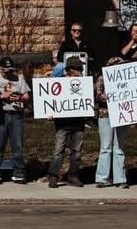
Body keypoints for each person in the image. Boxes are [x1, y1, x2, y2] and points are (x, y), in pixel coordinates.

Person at [0, 56, 30, 184]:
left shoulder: (19, 79)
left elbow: (26, 96)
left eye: (10, 70)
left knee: (17, 145)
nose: (8, 73)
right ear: (0, 69)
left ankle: (19, 172)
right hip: (0, 114)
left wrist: (19, 98)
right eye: (5, 70)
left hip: (16, 114)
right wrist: (1, 96)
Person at [47, 57, 87, 188]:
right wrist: (50, 112)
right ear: (70, 70)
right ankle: (53, 176)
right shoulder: (60, 82)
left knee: (77, 151)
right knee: (58, 150)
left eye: (81, 68)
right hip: (62, 123)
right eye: (78, 68)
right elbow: (51, 98)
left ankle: (73, 176)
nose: (81, 70)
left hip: (78, 122)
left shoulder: (84, 83)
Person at [94, 56, 130, 189]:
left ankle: (120, 179)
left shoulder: (128, 79)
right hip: (106, 115)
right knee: (106, 147)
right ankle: (102, 178)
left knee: (119, 147)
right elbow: (97, 95)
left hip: (122, 114)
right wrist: (107, 96)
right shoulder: (102, 78)